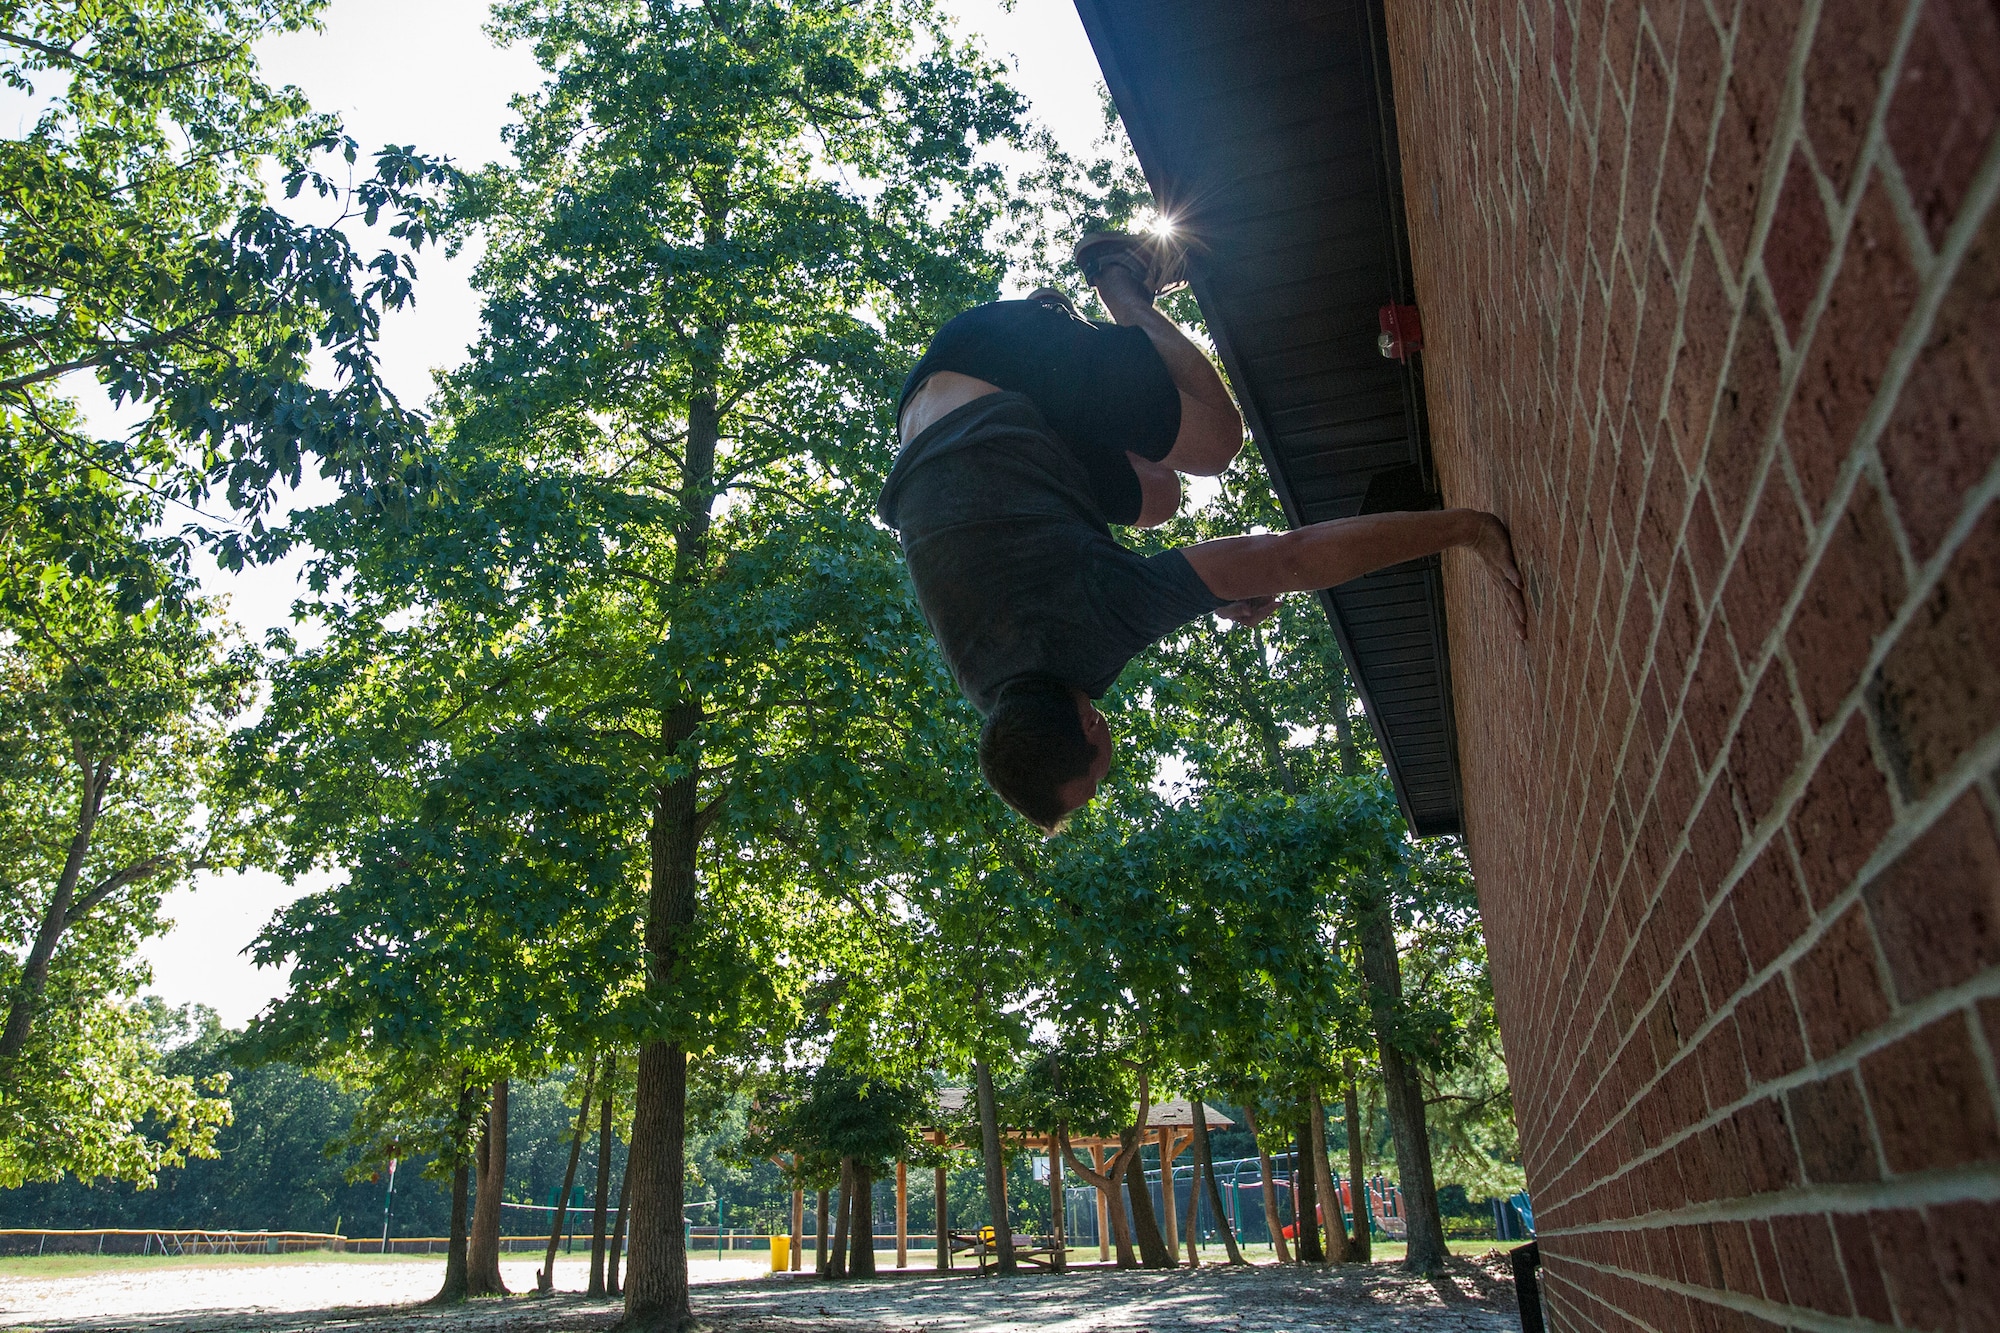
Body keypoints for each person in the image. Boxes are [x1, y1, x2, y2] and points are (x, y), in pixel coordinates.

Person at [878, 232, 1525, 832]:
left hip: (1006, 359)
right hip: (936, 411)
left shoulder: (1090, 627)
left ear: (1088, 721)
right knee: (1158, 498)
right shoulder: (994, 691)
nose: (1100, 791)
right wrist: (1210, 590)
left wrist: (1468, 530)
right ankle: (1100, 359)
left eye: (1089, 789)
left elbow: (1289, 559)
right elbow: (1056, 577)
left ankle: (1121, 280)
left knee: (1215, 443)